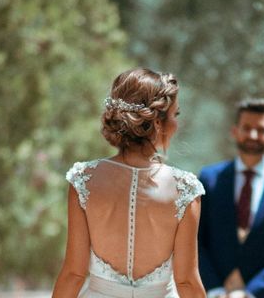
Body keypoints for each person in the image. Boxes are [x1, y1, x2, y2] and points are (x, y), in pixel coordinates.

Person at [52, 68, 207, 298]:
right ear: (156, 122)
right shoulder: (185, 188)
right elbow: (186, 281)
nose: (176, 124)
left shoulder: (83, 179)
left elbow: (74, 273)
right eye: (175, 115)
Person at [198, 98, 264, 298]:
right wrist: (215, 289)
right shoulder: (209, 179)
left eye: (261, 129)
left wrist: (251, 292)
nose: (253, 135)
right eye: (246, 128)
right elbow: (196, 240)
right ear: (234, 131)